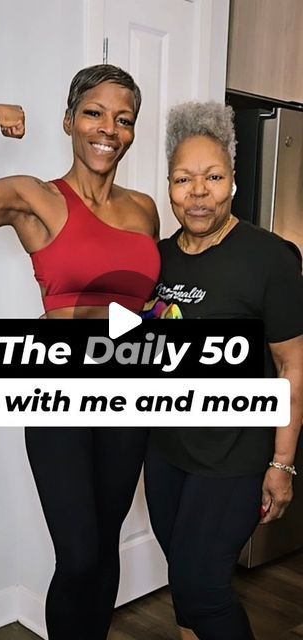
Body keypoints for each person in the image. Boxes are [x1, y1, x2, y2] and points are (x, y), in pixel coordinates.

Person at [0, 64, 160, 640]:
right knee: (80, 554)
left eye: (124, 119)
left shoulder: (143, 209)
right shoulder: (36, 198)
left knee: (105, 545)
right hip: (59, 393)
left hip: (127, 395)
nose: (108, 128)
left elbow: (147, 305)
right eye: (94, 112)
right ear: (69, 121)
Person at [143, 102, 303, 640]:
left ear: (233, 181)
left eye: (213, 177)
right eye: (184, 179)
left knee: (203, 590)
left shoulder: (268, 259)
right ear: (169, 185)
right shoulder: (158, 258)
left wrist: (283, 463)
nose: (198, 191)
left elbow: (291, 364)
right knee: (186, 581)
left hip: (235, 454)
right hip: (167, 452)